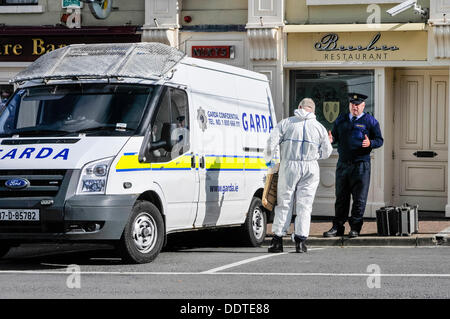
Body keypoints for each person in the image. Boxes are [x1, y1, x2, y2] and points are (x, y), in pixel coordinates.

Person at [264, 98, 333, 253]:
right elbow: (327, 152)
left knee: (284, 202)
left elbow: (271, 144)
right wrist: (316, 155)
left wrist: (269, 163)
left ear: (299, 107)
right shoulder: (319, 127)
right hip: (310, 167)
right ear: (313, 110)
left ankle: (277, 241)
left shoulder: (286, 123)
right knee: (305, 205)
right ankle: (300, 242)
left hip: (289, 165)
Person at [323, 93, 384, 238]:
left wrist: (371, 143)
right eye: (352, 104)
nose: (354, 107)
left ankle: (355, 228)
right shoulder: (341, 119)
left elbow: (379, 140)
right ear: (349, 105)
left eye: (357, 105)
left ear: (363, 106)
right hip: (343, 165)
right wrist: (331, 139)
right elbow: (335, 136)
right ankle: (338, 227)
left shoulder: (370, 121)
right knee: (341, 198)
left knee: (359, 199)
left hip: (361, 165)